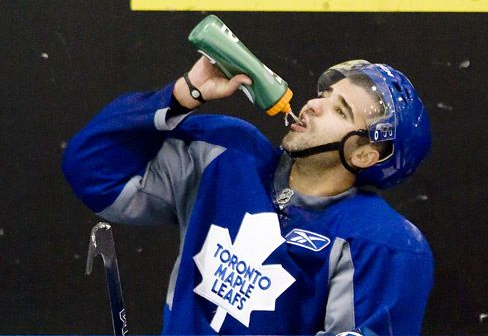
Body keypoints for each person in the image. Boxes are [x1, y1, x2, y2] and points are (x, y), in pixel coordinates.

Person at [62, 57, 433, 335]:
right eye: (324, 95)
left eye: (340, 110)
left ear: (366, 155)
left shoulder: (385, 244)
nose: (313, 105)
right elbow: (91, 168)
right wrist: (183, 94)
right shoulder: (227, 154)